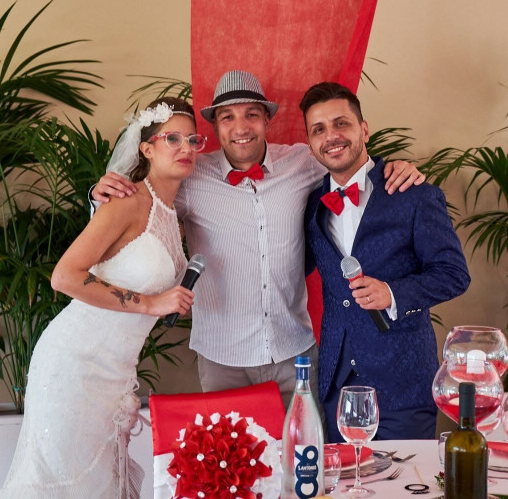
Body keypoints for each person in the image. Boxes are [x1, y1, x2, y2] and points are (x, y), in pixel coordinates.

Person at [92, 70, 424, 408]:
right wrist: (101, 195)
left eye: (251, 114)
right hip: (222, 357)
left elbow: (350, 163)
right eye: (227, 117)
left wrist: (395, 168)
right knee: (226, 444)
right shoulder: (190, 175)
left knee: (303, 441)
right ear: (215, 126)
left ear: (266, 119)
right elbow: (142, 206)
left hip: (293, 351)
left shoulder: (303, 162)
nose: (241, 128)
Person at [0, 98, 201, 498]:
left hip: (116, 373)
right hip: (74, 362)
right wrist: (151, 303)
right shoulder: (127, 201)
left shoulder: (172, 217)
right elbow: (64, 276)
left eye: (193, 140)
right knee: (61, 484)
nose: (186, 148)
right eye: (172, 138)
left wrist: (171, 301)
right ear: (146, 148)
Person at [300, 82, 470, 441]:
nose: (331, 137)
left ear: (364, 129)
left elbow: (454, 274)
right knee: (343, 477)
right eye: (319, 129)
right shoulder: (312, 205)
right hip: (336, 388)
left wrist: (392, 293)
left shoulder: (414, 194)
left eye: (341, 123)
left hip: (402, 386)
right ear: (310, 143)